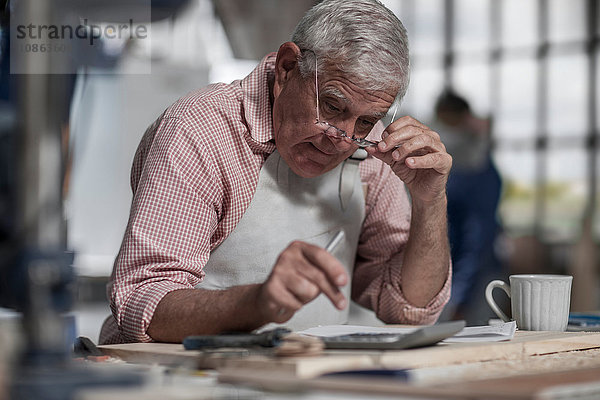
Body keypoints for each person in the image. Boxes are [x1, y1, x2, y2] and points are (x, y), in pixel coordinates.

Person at [100, 0, 453, 344]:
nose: (343, 140)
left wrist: (430, 199)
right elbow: (141, 300)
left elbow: (410, 308)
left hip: (305, 376)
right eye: (331, 106)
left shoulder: (371, 147)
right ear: (286, 68)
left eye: (366, 120)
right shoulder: (201, 130)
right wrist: (257, 303)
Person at [433, 89, 504, 324]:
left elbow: (477, 238)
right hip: (447, 271)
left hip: (474, 278)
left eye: (446, 123)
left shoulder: (474, 166)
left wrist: (461, 298)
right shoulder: (457, 162)